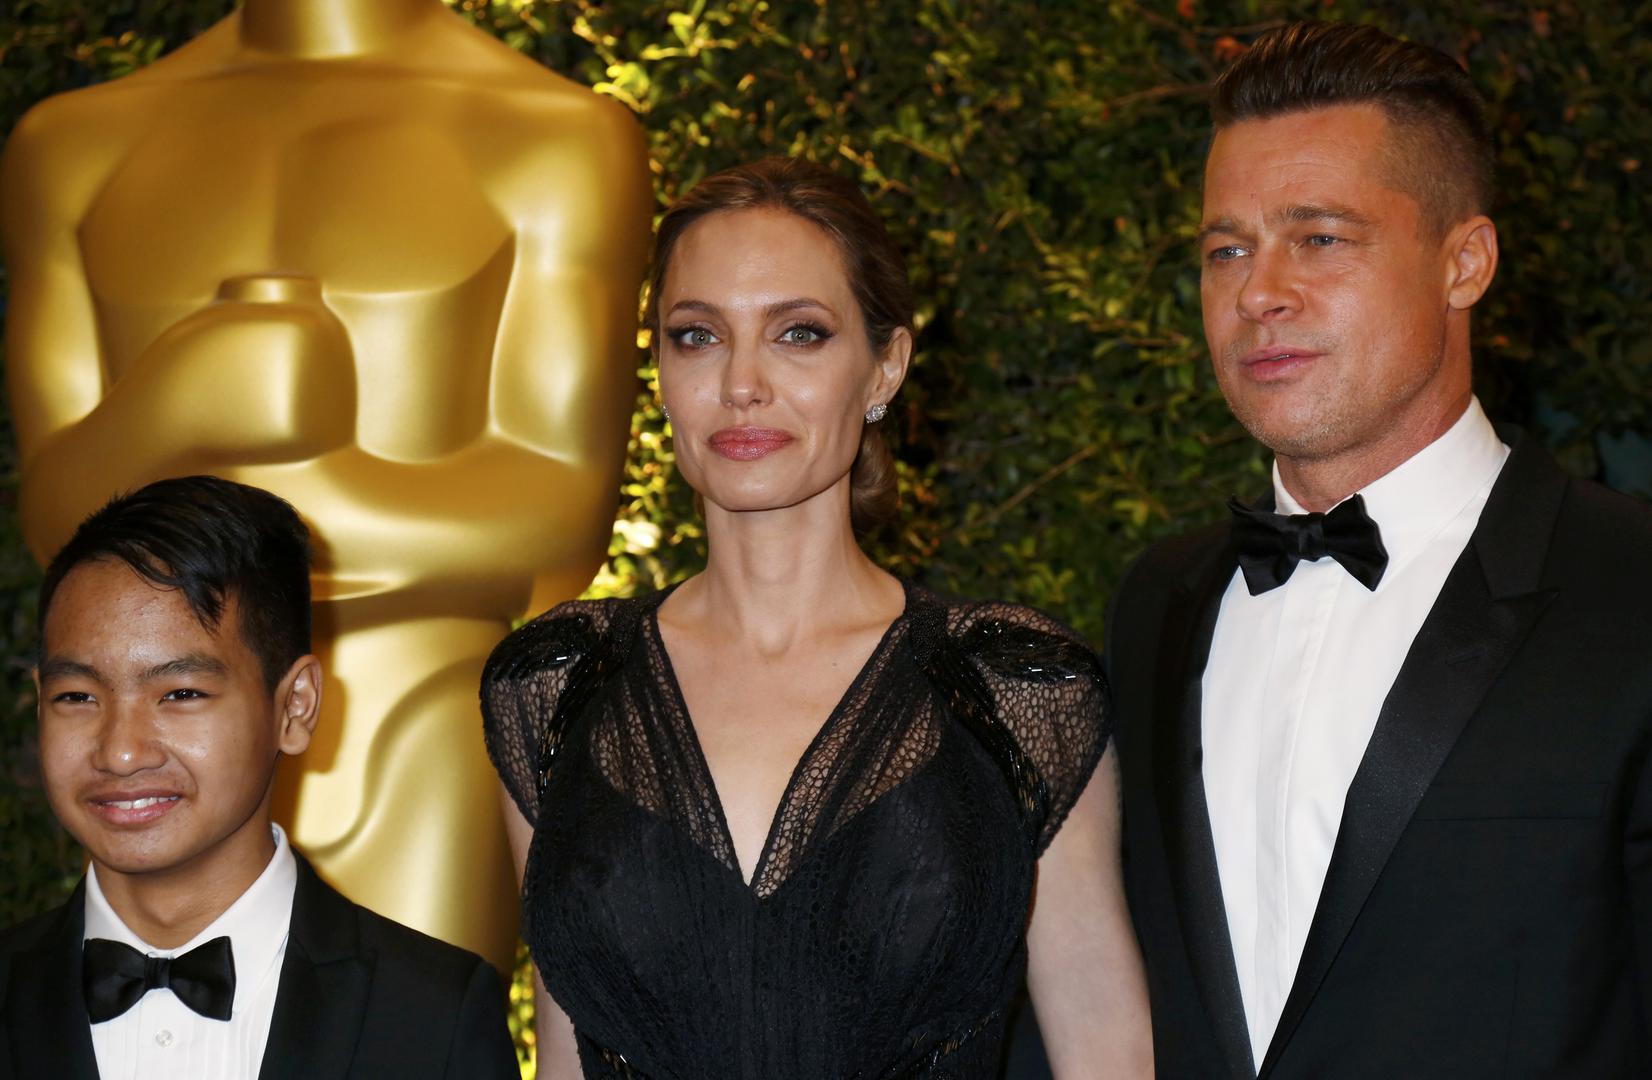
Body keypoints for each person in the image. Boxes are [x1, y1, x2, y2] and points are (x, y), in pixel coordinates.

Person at [482, 157, 1153, 1078]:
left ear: (886, 366)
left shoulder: (1013, 686)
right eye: (696, 336)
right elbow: (567, 1045)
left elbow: (1105, 1047)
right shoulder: (554, 683)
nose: (741, 383)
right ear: (660, 372)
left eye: (798, 333)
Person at [1111, 21, 1652, 1079]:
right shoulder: (1156, 604)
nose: (1257, 292)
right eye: (1226, 250)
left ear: (1464, 262)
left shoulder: (1629, 589)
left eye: (1318, 238)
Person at [0, 476, 518, 1078]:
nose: (119, 753)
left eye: (180, 693)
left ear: (294, 706)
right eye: (77, 696)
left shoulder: (433, 1014)